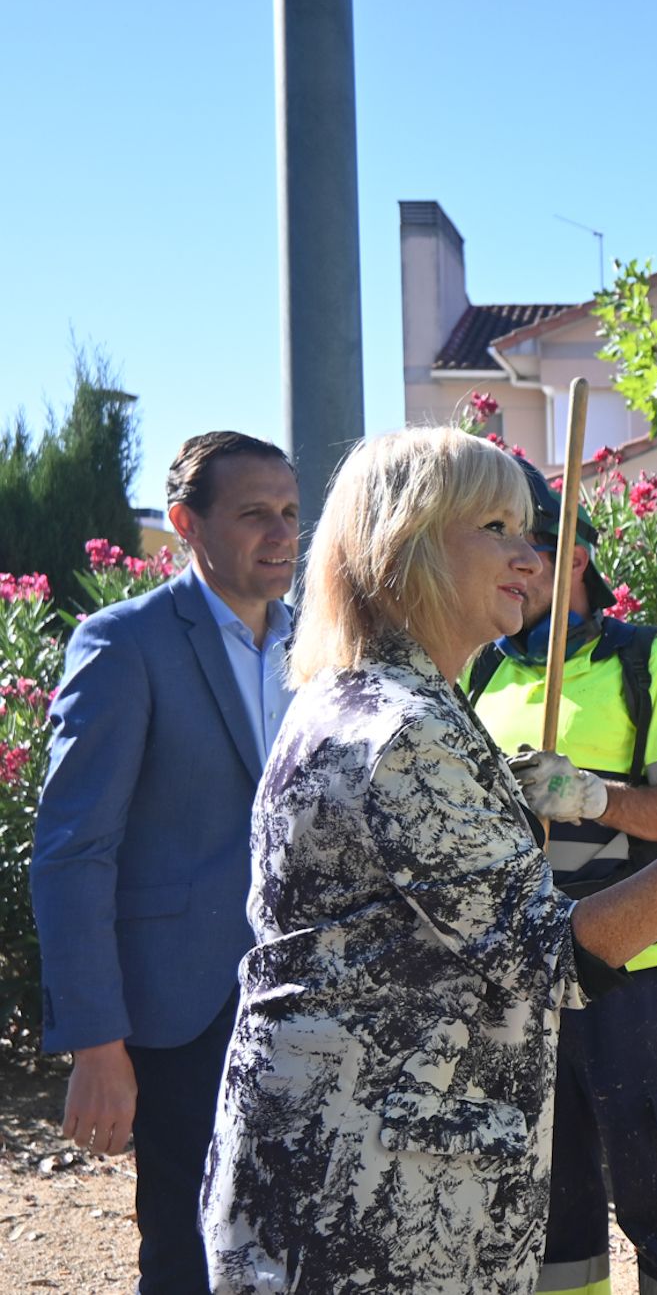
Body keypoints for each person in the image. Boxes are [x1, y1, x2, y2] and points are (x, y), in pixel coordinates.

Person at [199, 427, 657, 1295]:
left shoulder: (392, 695)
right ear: (404, 546)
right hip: (368, 1198)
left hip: (364, 1167)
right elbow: (545, 957)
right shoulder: (403, 727)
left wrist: (608, 802)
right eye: (496, 529)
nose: (532, 558)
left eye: (532, 533)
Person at [32, 430, 299, 1294]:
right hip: (183, 1011)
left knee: (302, 1247)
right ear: (187, 523)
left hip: (307, 1000)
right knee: (189, 1254)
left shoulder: (322, 651)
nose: (280, 533)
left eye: (291, 513)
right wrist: (96, 1045)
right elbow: (75, 851)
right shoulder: (125, 645)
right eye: (254, 513)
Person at [473, 457, 657, 1295]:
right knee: (548, 1196)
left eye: (524, 548)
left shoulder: (649, 666)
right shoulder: (478, 670)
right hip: (514, 975)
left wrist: (588, 793)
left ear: (573, 556)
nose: (505, 567)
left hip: (627, 969)